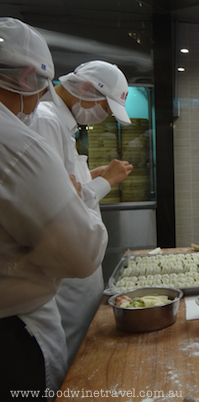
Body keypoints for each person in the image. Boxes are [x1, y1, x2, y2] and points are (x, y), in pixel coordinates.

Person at [0, 17, 108, 398]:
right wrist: (86, 195)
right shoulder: (22, 137)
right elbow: (82, 251)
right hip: (17, 325)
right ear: (28, 78)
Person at [27, 60, 133, 367]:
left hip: (77, 262)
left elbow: (66, 186)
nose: (103, 116)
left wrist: (91, 177)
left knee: (84, 345)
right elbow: (56, 204)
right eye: (104, 107)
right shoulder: (47, 119)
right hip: (65, 266)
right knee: (76, 351)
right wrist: (105, 181)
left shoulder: (62, 122)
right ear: (86, 89)